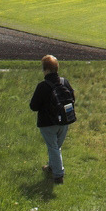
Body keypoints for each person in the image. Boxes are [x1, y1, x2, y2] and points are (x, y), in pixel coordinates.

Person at [29, 54, 75, 184]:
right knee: (55, 146)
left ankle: (58, 175)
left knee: (53, 147)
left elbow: (34, 106)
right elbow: (72, 99)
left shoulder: (43, 86)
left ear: (47, 70)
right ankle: (51, 166)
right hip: (65, 121)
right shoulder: (64, 82)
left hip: (48, 124)